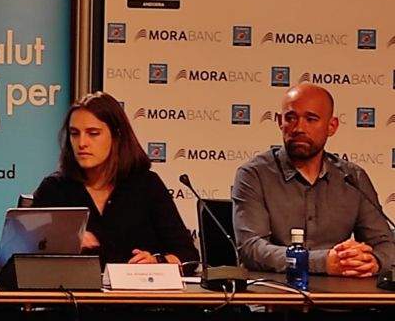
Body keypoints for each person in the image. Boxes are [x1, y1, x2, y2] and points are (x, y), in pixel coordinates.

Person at [233, 83, 395, 276]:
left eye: (311, 119)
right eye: (290, 118)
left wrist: (373, 262)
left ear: (331, 126)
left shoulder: (353, 177)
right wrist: (322, 262)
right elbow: (251, 249)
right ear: (279, 121)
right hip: (276, 292)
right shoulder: (254, 175)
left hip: (342, 293)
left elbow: (384, 243)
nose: (299, 128)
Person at [31, 92, 198, 266]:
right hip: (72, 284)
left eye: (93, 133)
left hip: (136, 284)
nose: (81, 143)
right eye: (74, 134)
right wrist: (62, 241)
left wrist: (157, 262)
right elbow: (24, 252)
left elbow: (188, 255)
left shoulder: (146, 185)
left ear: (117, 135)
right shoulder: (54, 189)